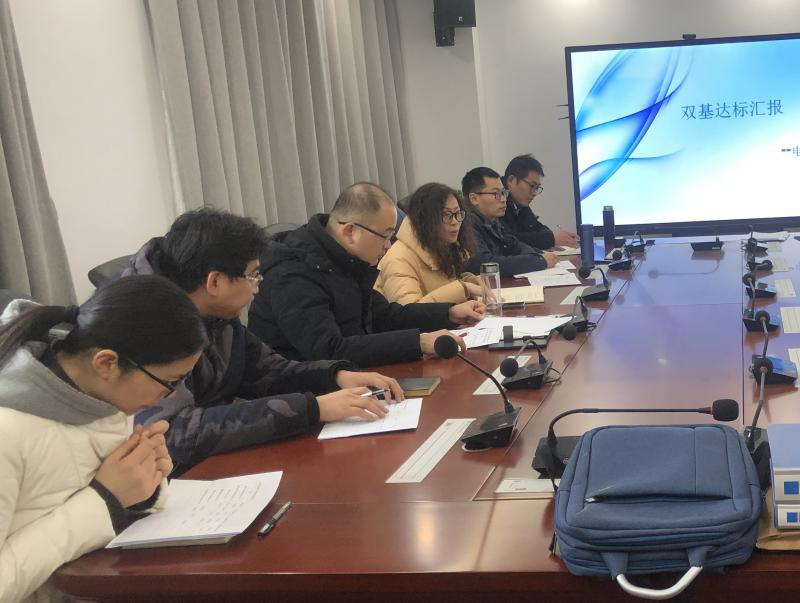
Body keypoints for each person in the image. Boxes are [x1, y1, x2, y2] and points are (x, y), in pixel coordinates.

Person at [123, 208, 405, 474]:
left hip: (218, 461)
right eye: (253, 276)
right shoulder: (143, 325)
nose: (257, 288)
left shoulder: (216, 312)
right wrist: (313, 409)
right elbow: (176, 432)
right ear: (215, 282)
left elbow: (268, 371)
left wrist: (336, 376)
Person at [0, 275, 202, 601]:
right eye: (169, 382)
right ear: (107, 362)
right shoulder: (8, 430)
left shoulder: (105, 398)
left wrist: (145, 486)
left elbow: (115, 506)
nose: (171, 396)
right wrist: (106, 500)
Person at [250, 182, 485, 368]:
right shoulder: (293, 273)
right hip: (305, 394)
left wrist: (448, 313)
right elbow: (329, 350)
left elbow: (385, 316)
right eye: (385, 235)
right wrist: (418, 342)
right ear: (350, 231)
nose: (388, 245)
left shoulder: (346, 259)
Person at [376, 183, 484, 305]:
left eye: (457, 213)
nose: (455, 221)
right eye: (446, 215)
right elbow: (409, 310)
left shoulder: (439, 245)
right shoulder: (398, 259)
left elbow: (438, 288)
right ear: (425, 219)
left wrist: (469, 281)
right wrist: (463, 288)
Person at [463, 167, 557, 275]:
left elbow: (513, 244)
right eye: (496, 194)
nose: (504, 199)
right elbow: (484, 264)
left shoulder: (492, 221)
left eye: (503, 193)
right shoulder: (467, 224)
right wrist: (539, 261)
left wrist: (538, 255)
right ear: (474, 199)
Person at [501, 154, 579, 250]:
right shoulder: (498, 201)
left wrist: (553, 239)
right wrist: (551, 239)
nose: (534, 193)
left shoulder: (519, 203)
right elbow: (507, 240)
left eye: (537, 188)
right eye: (532, 186)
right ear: (511, 180)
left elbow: (535, 227)